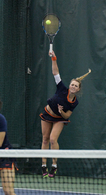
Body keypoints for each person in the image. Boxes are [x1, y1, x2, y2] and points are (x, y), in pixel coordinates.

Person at [40, 51, 91, 179]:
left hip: (59, 119)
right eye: (72, 84)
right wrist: (54, 59)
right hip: (47, 114)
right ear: (69, 85)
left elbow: (67, 116)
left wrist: (62, 111)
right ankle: (43, 165)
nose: (73, 86)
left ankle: (54, 166)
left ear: (78, 89)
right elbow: (55, 72)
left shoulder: (74, 102)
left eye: (76, 86)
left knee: (52, 139)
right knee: (45, 139)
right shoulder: (61, 88)